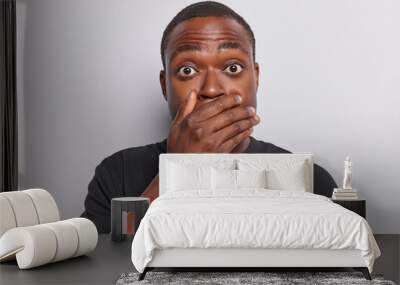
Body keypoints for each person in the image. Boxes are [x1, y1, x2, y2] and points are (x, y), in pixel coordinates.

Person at [81, 1, 337, 233]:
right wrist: (178, 170)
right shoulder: (118, 173)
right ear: (164, 85)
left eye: (232, 68)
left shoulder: (310, 179)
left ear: (256, 77)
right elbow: (112, 260)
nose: (212, 89)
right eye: (188, 69)